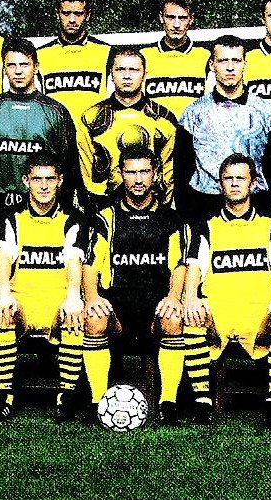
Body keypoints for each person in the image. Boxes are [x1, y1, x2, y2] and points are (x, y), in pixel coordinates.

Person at [182, 154, 271, 425]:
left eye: (240, 178)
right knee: (193, 315)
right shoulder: (206, 224)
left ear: (252, 183)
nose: (234, 184)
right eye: (228, 178)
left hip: (259, 313)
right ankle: (202, 401)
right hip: (219, 311)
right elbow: (195, 265)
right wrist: (191, 297)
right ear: (220, 184)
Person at [80, 146, 188, 424]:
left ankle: (168, 404)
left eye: (144, 172)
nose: (138, 179)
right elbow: (90, 265)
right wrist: (91, 298)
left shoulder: (171, 219)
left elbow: (179, 265)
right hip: (118, 309)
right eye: (131, 172)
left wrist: (174, 297)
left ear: (155, 174)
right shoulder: (105, 217)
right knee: (94, 317)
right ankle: (96, 403)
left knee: (174, 317)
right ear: (120, 174)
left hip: (155, 309)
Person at [0, 154, 86, 421]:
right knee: (2, 310)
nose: (44, 186)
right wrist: (3, 292)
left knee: (73, 313)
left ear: (60, 181)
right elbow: (2, 255)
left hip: (57, 304)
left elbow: (74, 259)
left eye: (50, 179)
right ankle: (4, 393)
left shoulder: (73, 219)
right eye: (37, 179)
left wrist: (73, 296)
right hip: (22, 303)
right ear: (26, 181)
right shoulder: (10, 217)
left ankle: (67, 395)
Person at [0, 37, 85, 213]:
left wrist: (64, 207)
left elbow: (69, 167)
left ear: (36, 67)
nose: (18, 71)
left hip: (43, 207)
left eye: (24, 64)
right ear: (4, 69)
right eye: (11, 65)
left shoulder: (56, 112)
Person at [175, 35, 271, 216]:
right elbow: (182, 168)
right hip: (204, 204)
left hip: (256, 205)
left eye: (236, 60)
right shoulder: (193, 112)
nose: (230, 67)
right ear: (212, 64)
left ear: (245, 64)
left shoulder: (267, 111)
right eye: (223, 60)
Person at [78, 47, 177, 207]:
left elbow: (168, 172)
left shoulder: (164, 118)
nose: (127, 76)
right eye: (120, 69)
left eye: (134, 70)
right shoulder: (91, 117)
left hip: (152, 208)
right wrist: (92, 207)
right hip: (103, 206)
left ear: (145, 75)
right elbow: (85, 171)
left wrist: (163, 208)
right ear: (111, 74)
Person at [38, 0, 112, 122]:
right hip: (55, 134)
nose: (72, 20)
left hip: (93, 134)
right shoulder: (40, 55)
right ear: (57, 14)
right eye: (66, 13)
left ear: (87, 15)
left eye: (78, 14)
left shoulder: (107, 53)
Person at [140, 0, 212, 118]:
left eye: (182, 18)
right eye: (171, 17)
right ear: (161, 17)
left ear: (191, 19)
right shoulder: (144, 56)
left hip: (192, 130)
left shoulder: (206, 57)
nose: (176, 24)